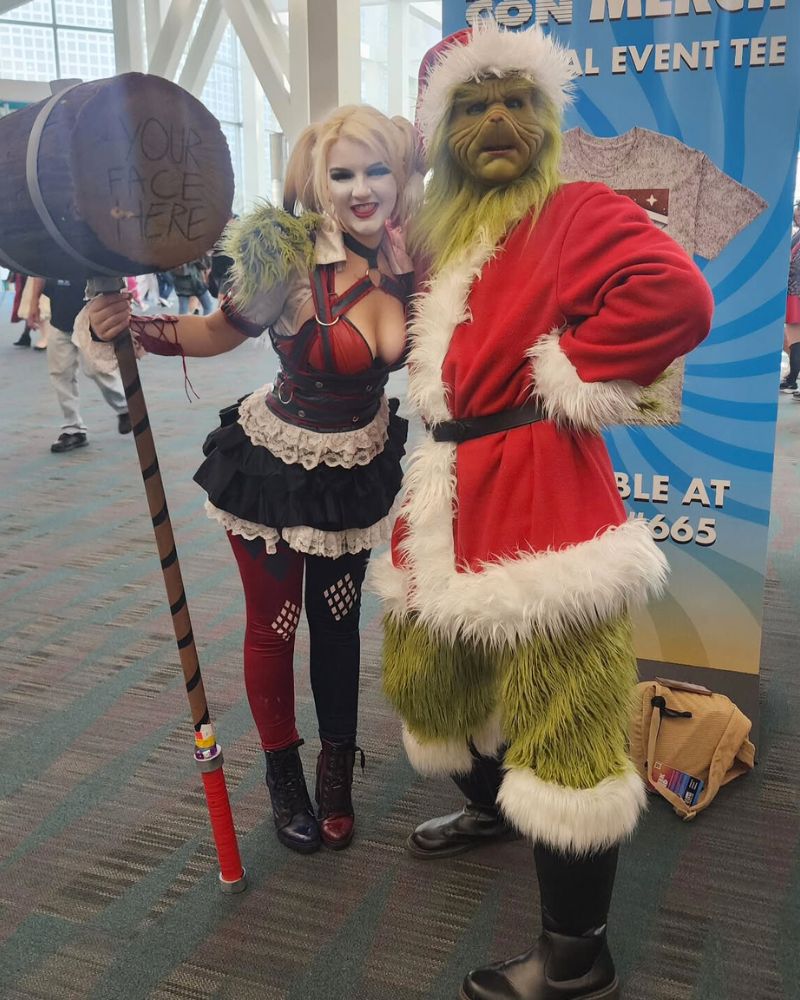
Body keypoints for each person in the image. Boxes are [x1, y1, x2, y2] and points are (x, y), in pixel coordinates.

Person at [371, 22, 713, 1000]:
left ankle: (576, 952)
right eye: (471, 106)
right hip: (441, 489)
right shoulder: (439, 230)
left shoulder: (574, 209)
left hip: (539, 500)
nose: (494, 121)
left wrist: (562, 371)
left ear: (546, 119)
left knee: (565, 713)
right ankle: (490, 805)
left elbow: (674, 297)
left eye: (515, 102)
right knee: (430, 678)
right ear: (442, 131)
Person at [84, 104, 422, 855]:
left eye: (377, 171)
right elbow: (211, 333)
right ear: (317, 180)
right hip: (272, 472)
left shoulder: (417, 257)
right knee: (275, 627)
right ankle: (284, 777)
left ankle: (336, 770)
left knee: (337, 626)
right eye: (342, 173)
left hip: (355, 471)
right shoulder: (286, 256)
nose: (361, 189)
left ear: (403, 179)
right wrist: (129, 326)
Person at [27, 276, 130, 452]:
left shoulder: (89, 249)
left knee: (96, 368)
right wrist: (33, 303)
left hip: (90, 320)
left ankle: (126, 408)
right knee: (60, 373)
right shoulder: (50, 251)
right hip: (59, 320)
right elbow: (39, 274)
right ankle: (73, 429)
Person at [780, 201, 800, 393]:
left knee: (795, 340)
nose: (795, 216)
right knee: (794, 339)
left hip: (796, 292)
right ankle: (792, 378)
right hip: (793, 292)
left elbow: (795, 266)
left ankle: (792, 379)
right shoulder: (796, 235)